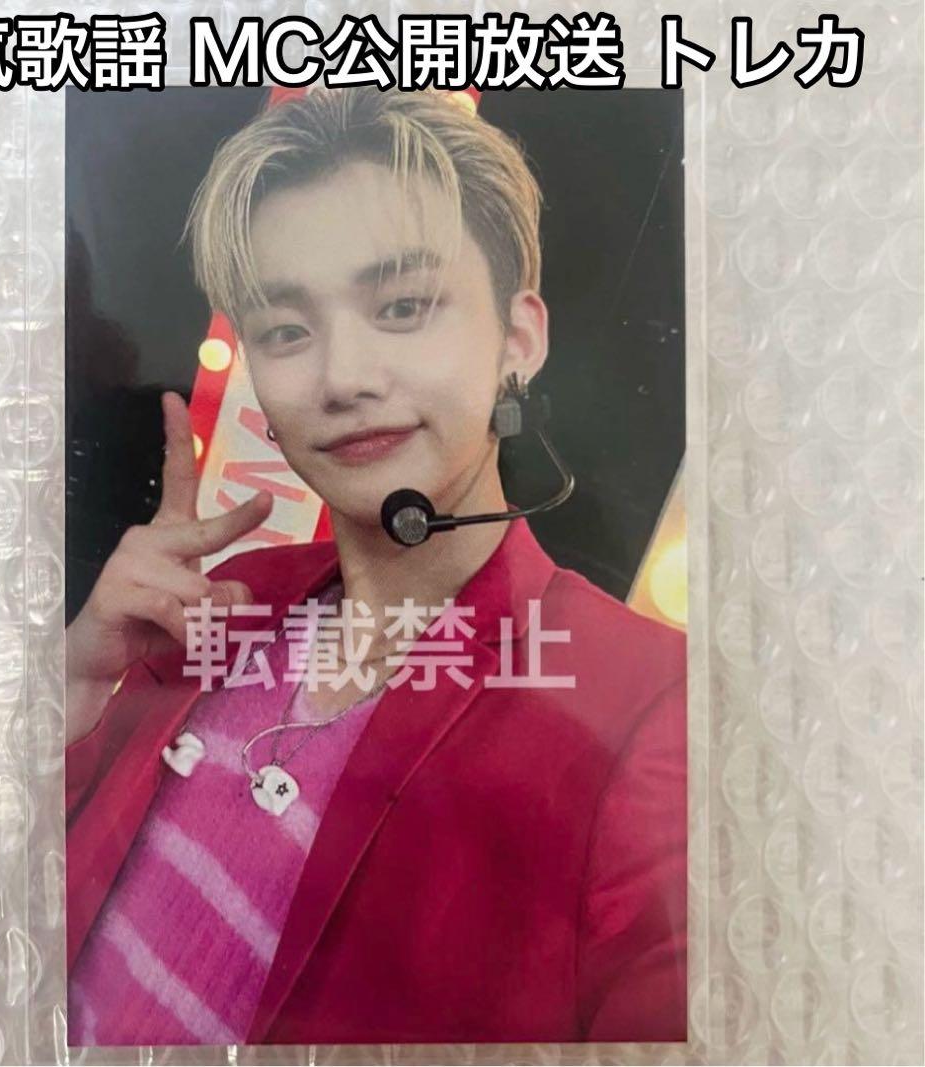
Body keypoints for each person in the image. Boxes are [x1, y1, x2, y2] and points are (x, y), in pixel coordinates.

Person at [64, 85, 687, 1047]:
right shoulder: (224, 602)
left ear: (518, 340)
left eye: (402, 306)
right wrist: (74, 683)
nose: (343, 376)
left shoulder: (649, 706)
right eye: (286, 330)